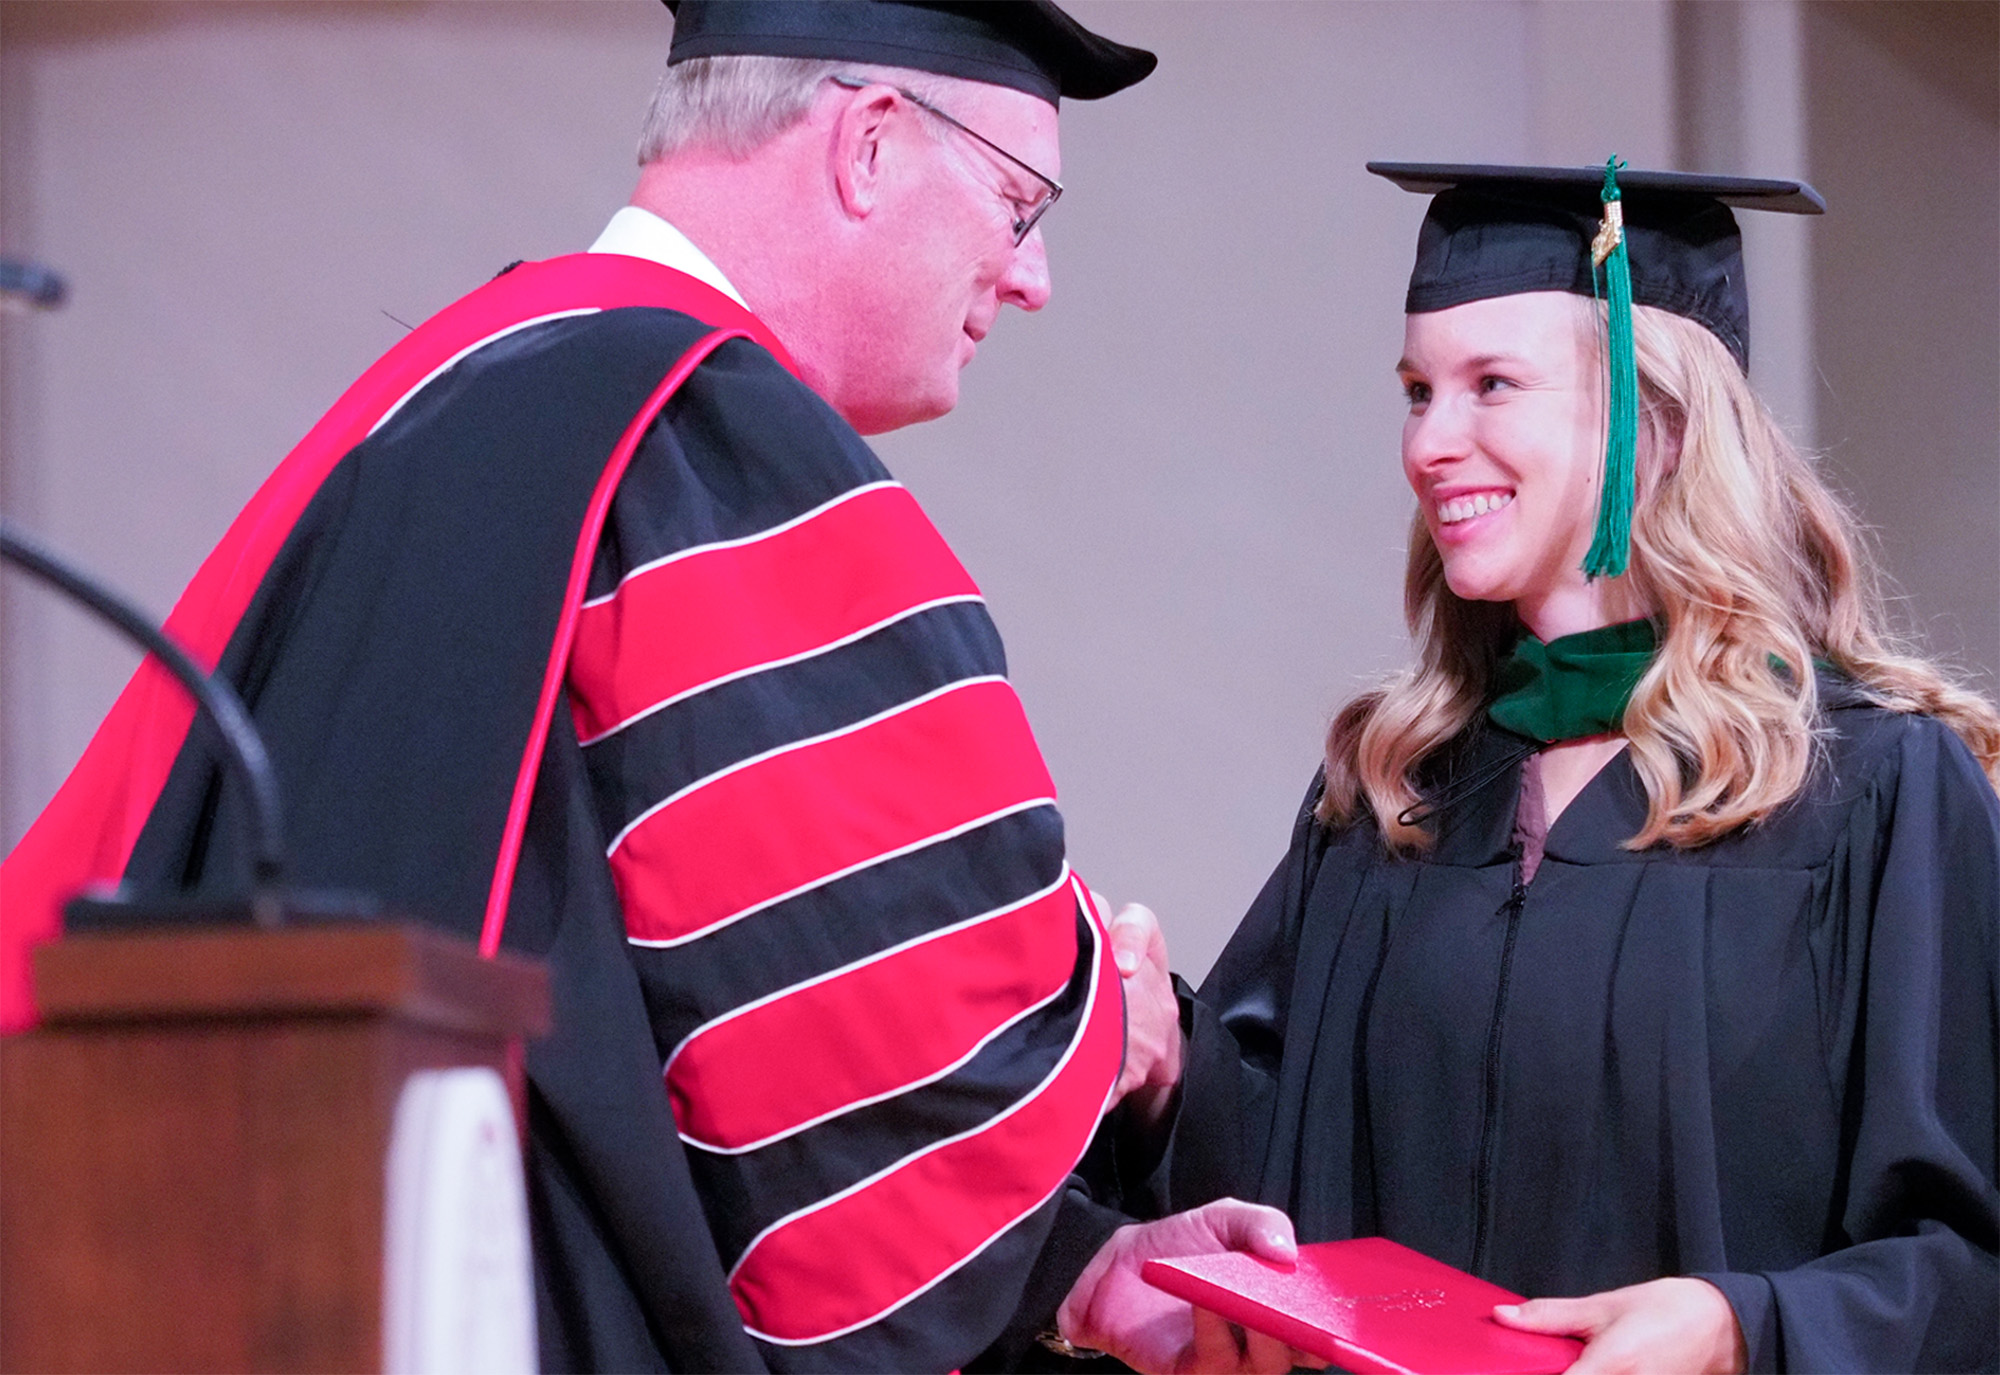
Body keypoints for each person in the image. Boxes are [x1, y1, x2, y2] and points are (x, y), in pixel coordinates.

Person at [0, 4, 1296, 1371]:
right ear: (868, 145)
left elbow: (673, 999)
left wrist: (1074, 1262)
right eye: (1018, 205)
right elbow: (885, 1023)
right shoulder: (703, 434)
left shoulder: (463, 377)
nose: (1031, 277)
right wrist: (1102, 1014)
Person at [1138, 162, 2000, 1374]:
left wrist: (1744, 1326)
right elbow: (1276, 1187)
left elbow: (1968, 1256)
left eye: (1490, 385)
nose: (1429, 444)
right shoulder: (1394, 795)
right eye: (1416, 391)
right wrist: (1156, 1062)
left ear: (1657, 423)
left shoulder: (1870, 792)